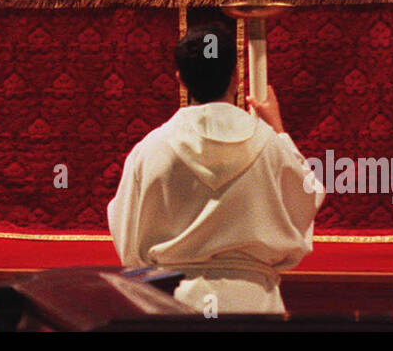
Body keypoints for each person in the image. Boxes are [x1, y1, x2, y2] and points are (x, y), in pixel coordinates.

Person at [107, 24, 324, 314]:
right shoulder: (269, 144)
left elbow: (129, 240)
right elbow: (307, 197)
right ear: (236, 76)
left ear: (180, 80)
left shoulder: (150, 149)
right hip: (254, 302)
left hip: (175, 303)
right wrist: (280, 132)